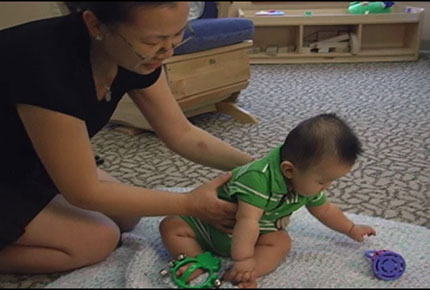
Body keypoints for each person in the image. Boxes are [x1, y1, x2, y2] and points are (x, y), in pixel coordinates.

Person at [0, 2, 253, 274]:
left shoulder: (130, 54)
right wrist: (189, 203)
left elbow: (182, 133)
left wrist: (256, 166)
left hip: (27, 155)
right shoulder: (46, 65)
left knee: (127, 215)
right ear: (95, 25)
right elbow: (84, 192)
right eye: (153, 40)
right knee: (98, 239)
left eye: (179, 33)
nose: (168, 51)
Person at [160, 113, 377, 288]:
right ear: (289, 170)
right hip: (212, 227)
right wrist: (243, 258)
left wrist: (350, 228)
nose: (327, 187)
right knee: (171, 226)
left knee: (281, 242)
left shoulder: (306, 182)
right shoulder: (257, 178)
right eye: (323, 181)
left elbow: (326, 210)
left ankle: (247, 273)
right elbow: (247, 221)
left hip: (258, 234)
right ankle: (198, 259)